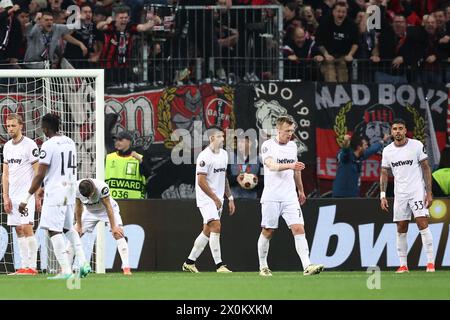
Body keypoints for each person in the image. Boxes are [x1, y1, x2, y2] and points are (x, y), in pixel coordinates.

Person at [19, 113, 91, 280]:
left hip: (56, 192)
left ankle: (66, 271)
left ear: (45, 128)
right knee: (68, 228)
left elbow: (39, 175)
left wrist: (26, 198)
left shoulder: (48, 145)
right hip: (70, 190)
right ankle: (83, 262)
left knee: (53, 230)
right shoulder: (70, 141)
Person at [258, 116, 324, 277]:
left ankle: (307, 266)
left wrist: (300, 190)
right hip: (271, 196)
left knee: (298, 228)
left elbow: (296, 170)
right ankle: (263, 266)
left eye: (292, 131)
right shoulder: (268, 145)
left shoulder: (293, 146)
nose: (290, 134)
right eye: (287, 131)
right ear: (278, 130)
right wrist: (291, 165)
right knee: (268, 231)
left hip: (289, 197)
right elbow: (271, 166)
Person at [380, 118, 435, 273]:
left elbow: (426, 168)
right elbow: (384, 173)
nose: (397, 131)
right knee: (401, 227)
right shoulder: (388, 151)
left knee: (422, 223)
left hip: (417, 190)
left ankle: (430, 263)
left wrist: (429, 192)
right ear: (391, 132)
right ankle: (403, 265)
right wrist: (382, 195)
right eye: (395, 129)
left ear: (405, 130)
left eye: (400, 128)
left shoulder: (416, 145)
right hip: (400, 193)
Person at [182, 126, 236, 273]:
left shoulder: (224, 154)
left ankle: (189, 262)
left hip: (218, 199)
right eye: (220, 137)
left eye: (223, 137)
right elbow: (201, 181)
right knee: (216, 226)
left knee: (207, 230)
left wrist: (229, 197)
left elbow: (223, 177)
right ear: (212, 138)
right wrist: (214, 198)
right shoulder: (204, 156)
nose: (223, 139)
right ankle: (220, 265)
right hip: (206, 198)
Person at [2, 113, 40, 275]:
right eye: (8, 126)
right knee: (18, 229)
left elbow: (37, 171)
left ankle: (33, 266)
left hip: (27, 195)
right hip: (13, 195)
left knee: (27, 227)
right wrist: (5, 196)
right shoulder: (7, 147)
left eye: (13, 125)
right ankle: (24, 266)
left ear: (21, 126)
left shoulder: (30, 145)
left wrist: (37, 195)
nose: (10, 128)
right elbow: (5, 173)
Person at [70, 178, 132, 275]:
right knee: (74, 235)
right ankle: (65, 269)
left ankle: (126, 268)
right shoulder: (76, 188)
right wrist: (79, 225)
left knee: (118, 234)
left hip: (107, 211)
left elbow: (108, 207)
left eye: (91, 195)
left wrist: (114, 227)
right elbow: (78, 207)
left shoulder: (102, 187)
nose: (89, 198)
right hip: (89, 213)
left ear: (94, 188)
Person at [332, 133, 390, 197]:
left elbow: (372, 149)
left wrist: (383, 140)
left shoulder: (361, 156)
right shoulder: (347, 157)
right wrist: (346, 142)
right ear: (359, 147)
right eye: (365, 145)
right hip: (340, 196)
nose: (367, 147)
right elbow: (345, 152)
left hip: (353, 195)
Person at [105, 131, 150, 199]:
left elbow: (147, 174)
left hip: (134, 201)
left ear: (129, 142)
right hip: (112, 201)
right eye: (116, 140)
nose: (117, 142)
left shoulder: (138, 158)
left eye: (120, 140)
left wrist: (140, 161)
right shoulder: (109, 157)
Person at [228, 134, 261, 199]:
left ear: (250, 143)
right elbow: (224, 179)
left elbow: (264, 181)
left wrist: (255, 181)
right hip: (234, 199)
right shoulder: (230, 158)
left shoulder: (259, 160)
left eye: (242, 142)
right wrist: (236, 179)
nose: (239, 144)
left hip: (252, 200)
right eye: (238, 141)